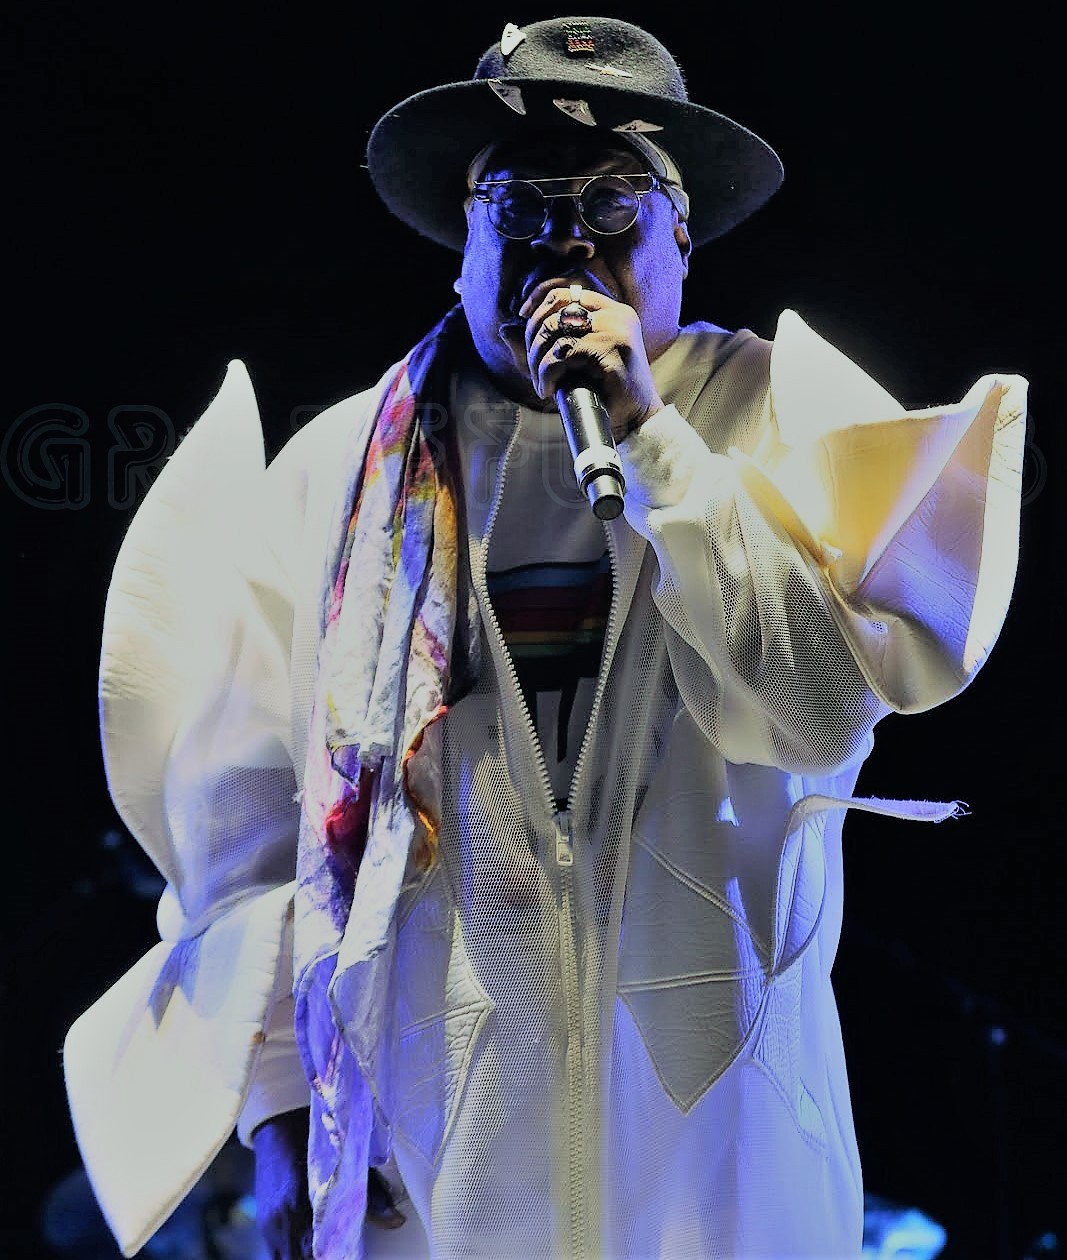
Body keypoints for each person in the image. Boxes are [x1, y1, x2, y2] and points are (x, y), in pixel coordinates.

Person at [63, 15, 1028, 1260]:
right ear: (459, 243)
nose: (566, 240)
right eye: (520, 204)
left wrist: (652, 439)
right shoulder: (341, 478)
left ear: (684, 234)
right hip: (444, 1133)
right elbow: (247, 810)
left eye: (615, 200)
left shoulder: (786, 429)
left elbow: (811, 709)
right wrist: (276, 1108)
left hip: (714, 1144)